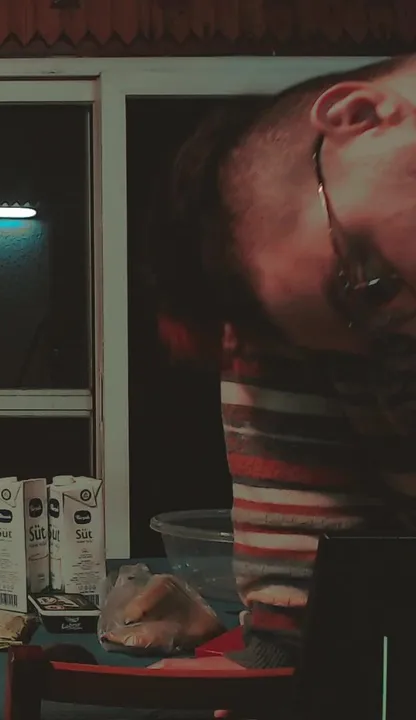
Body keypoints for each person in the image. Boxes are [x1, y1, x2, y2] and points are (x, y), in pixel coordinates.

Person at [146, 54, 416, 673]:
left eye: (374, 282)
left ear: (362, 117)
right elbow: (302, 603)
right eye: (391, 346)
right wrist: (273, 665)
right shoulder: (303, 337)